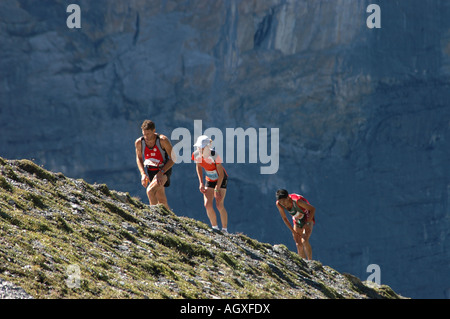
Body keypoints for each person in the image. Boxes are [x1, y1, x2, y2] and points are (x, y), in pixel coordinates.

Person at [192, 135, 229, 233]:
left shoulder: (214, 155)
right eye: (198, 147)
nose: (199, 149)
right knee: (207, 204)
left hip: (221, 179)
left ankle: (225, 230)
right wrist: (201, 183)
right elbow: (198, 167)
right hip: (209, 179)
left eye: (202, 148)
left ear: (207, 147)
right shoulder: (196, 154)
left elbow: (221, 174)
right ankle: (215, 228)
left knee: (219, 205)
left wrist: (217, 189)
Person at [135, 120, 175, 210]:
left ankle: (154, 218)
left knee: (150, 191)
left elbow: (174, 158)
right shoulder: (139, 142)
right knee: (161, 200)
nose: (146, 137)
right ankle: (172, 221)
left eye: (148, 134)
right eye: (144, 134)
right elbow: (139, 158)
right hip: (151, 171)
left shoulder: (162, 140)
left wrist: (161, 172)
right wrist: (143, 174)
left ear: (154, 131)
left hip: (164, 170)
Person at [275, 189, 315, 259]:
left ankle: (310, 262)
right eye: (280, 201)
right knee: (298, 242)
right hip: (297, 218)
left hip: (307, 216)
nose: (283, 203)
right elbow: (284, 218)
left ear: (288, 197)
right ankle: (304, 264)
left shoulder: (297, 201)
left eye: (284, 200)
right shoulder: (279, 204)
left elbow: (312, 209)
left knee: (304, 240)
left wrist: (307, 223)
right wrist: (293, 231)